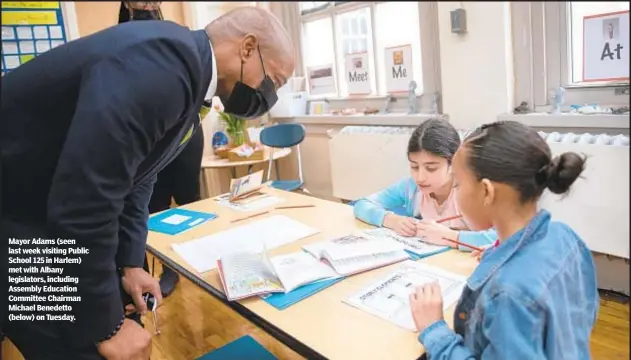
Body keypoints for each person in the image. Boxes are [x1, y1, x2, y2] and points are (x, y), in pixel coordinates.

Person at [0, 6, 294, 359]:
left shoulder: (187, 73)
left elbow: (139, 176)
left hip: (36, 210)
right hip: (18, 216)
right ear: (248, 48)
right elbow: (87, 198)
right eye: (273, 81)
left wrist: (130, 263)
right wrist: (105, 326)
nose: (268, 96)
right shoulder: (162, 66)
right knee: (81, 348)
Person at [409, 121, 598, 359]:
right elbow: (581, 314)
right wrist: (499, 254)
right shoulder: (566, 236)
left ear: (487, 192)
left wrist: (433, 329)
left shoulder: (508, 293)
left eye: (457, 184)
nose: (455, 191)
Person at [116, 0, 187, 300]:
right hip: (145, 129)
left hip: (179, 126)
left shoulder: (174, 34)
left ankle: (176, 267)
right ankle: (138, 272)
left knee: (186, 199)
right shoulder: (120, 38)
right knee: (148, 205)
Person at [353, 119, 495, 250]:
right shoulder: (410, 188)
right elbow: (362, 204)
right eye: (414, 167)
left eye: (431, 168)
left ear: (453, 163)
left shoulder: (469, 191)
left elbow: (505, 237)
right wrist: (390, 219)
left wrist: (451, 237)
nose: (420, 178)